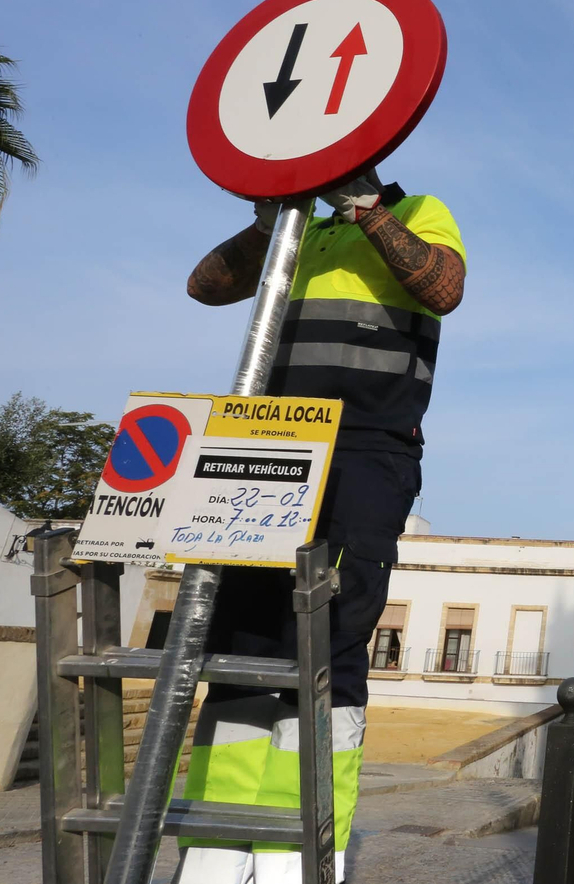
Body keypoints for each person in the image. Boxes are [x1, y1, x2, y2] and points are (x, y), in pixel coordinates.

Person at [179, 167, 465, 883]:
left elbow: (444, 288)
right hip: (267, 441)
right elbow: (204, 285)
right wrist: (270, 220)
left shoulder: (419, 210)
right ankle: (214, 855)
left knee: (331, 643)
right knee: (238, 641)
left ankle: (299, 858)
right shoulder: (295, 229)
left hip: (365, 447)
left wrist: (367, 211)